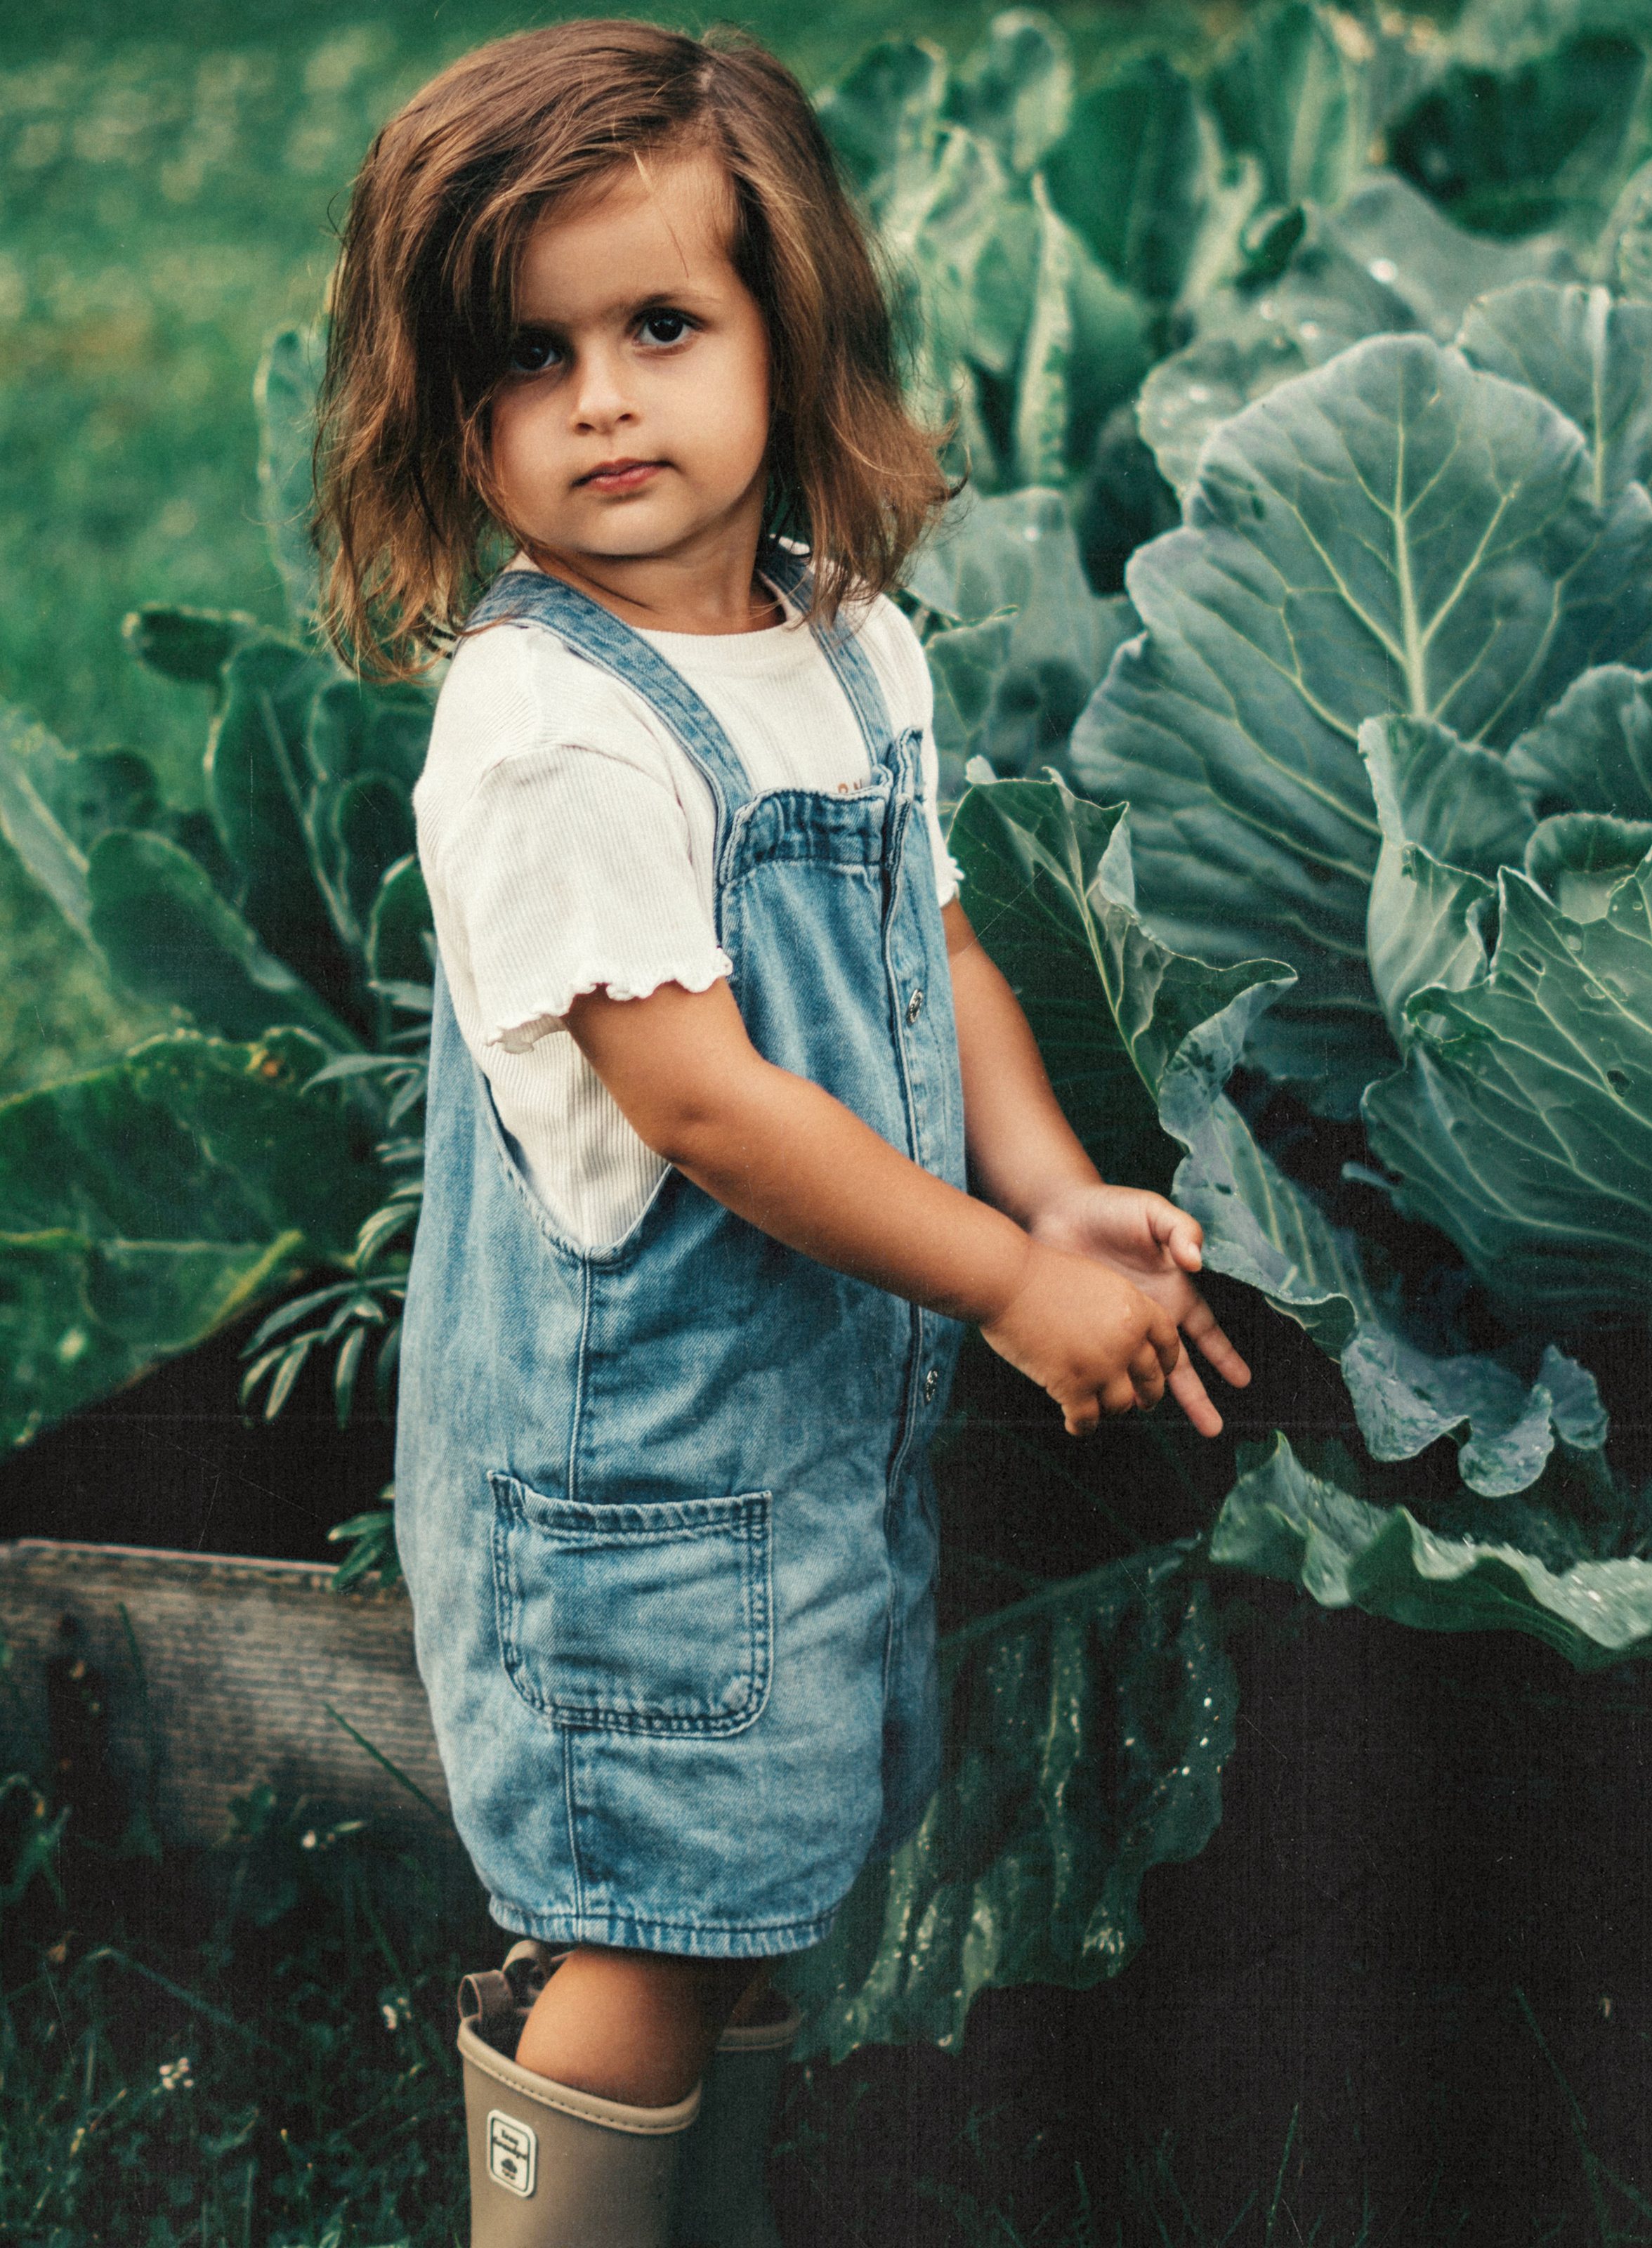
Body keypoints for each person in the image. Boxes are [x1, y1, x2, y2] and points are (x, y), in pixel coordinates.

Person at [316, 20, 1251, 2246]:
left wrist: (1043, 1181)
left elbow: (937, 951)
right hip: (627, 1491)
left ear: (783, 327)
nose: (606, 401)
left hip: (797, 1444)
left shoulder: (845, 647)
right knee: (644, 1922)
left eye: (662, 325)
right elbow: (716, 1110)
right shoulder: (549, 729)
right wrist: (1011, 1285)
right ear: (452, 413)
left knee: (733, 1896)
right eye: (527, 360)